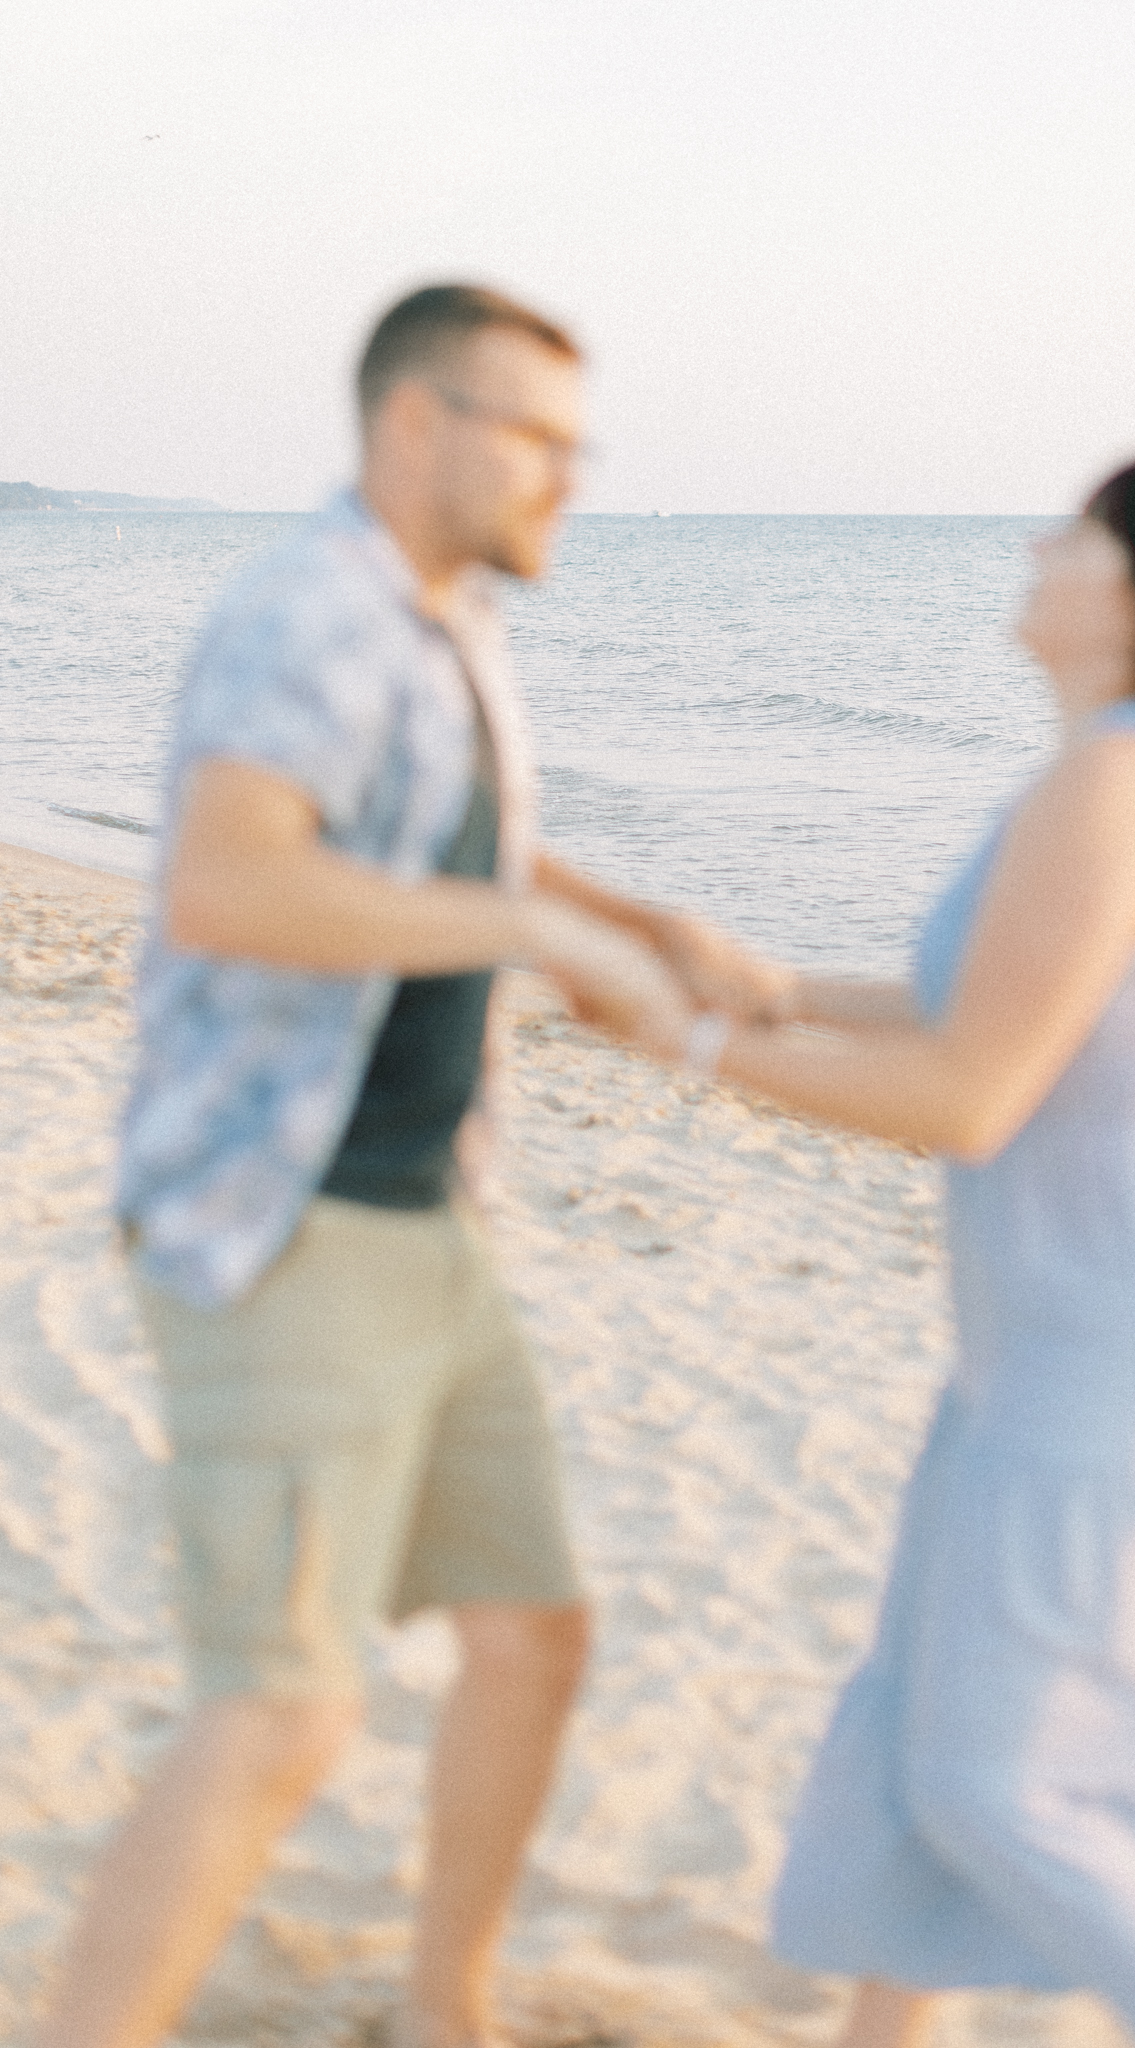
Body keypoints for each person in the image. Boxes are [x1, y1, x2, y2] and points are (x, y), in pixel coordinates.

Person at [37, 282, 786, 2048]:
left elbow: (479, 837)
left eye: (572, 441)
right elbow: (232, 879)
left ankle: (446, 2008)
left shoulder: (440, 625)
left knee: (531, 1633)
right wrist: (531, 929)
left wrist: (631, 917)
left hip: (430, 1214)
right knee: (283, 1714)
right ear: (412, 427)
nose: (565, 476)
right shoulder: (311, 612)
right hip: (283, 1222)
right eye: (532, 435)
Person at [614, 458, 1135, 2048]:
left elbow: (967, 1096)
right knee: (928, 1760)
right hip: (1054, 1333)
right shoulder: (1110, 766)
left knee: (1006, 1782)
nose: (1037, 544)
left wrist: (681, 1044)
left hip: (1128, 1351)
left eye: (1079, 528)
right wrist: (774, 991)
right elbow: (996, 1006)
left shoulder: (1120, 779)